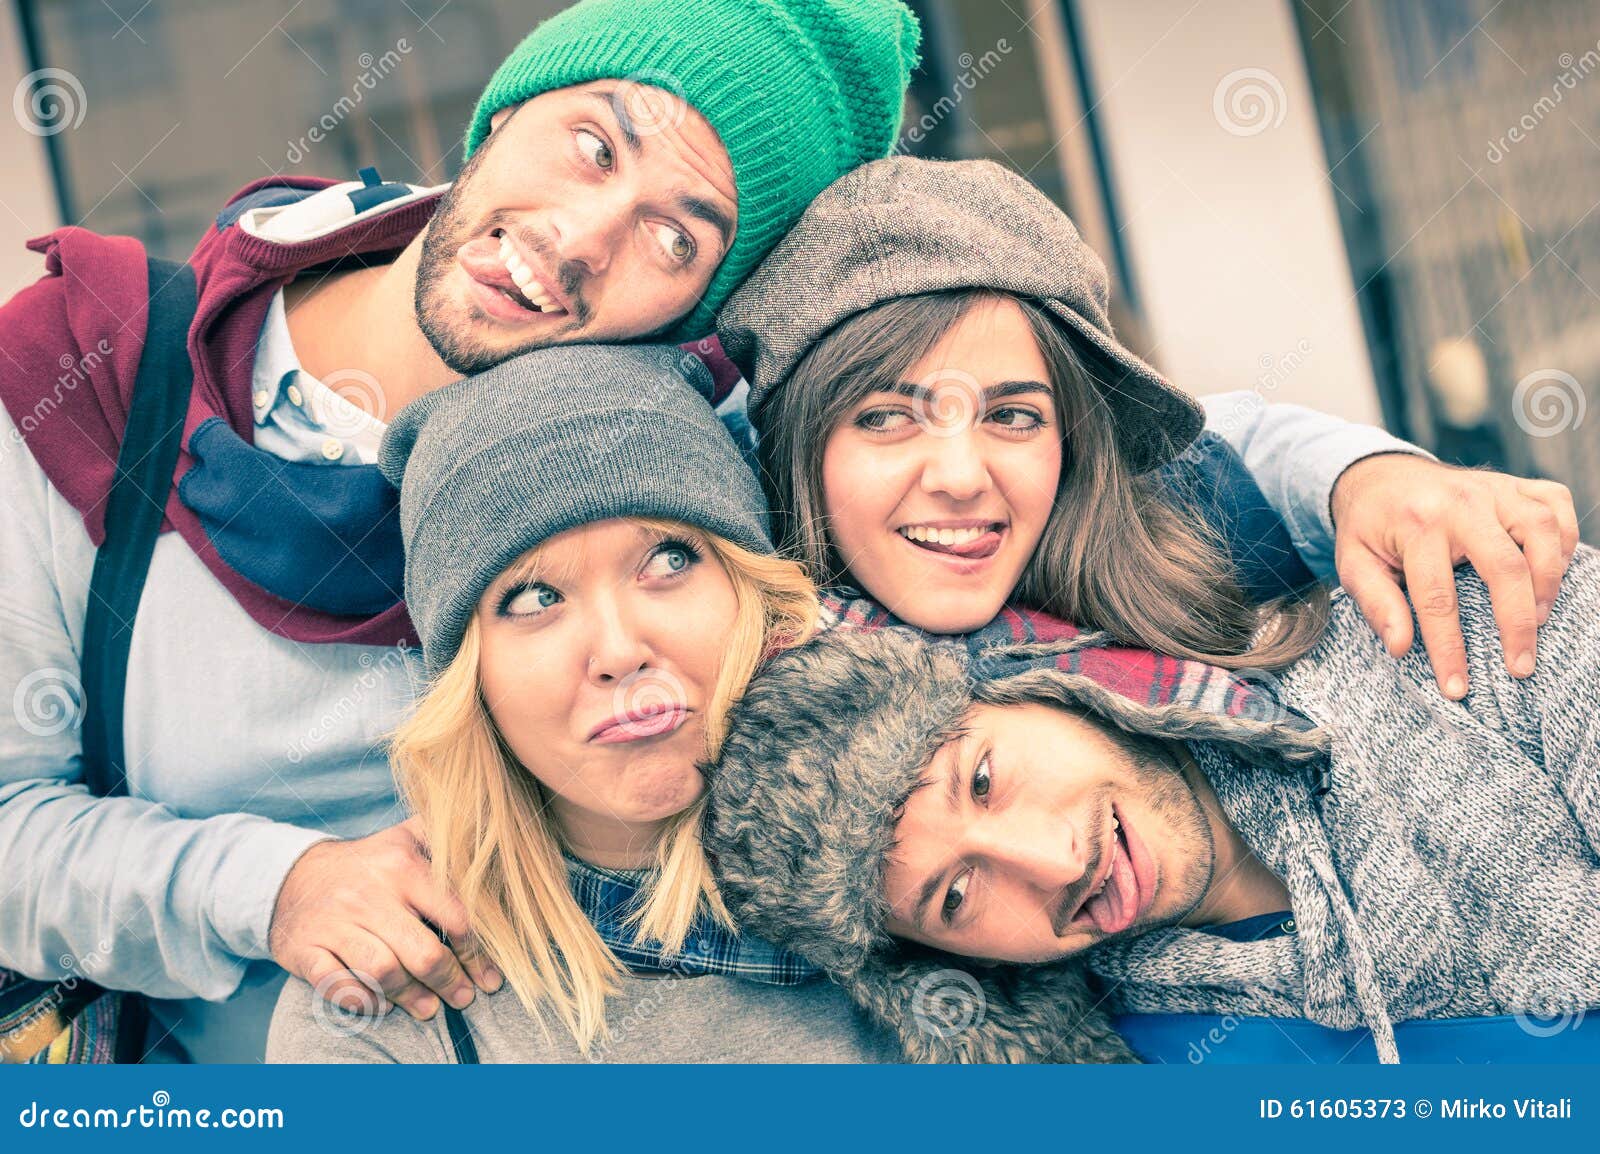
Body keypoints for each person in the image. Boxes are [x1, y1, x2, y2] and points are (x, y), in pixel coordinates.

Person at [0, 0, 921, 1062]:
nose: (578, 239)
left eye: (674, 236)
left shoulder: (706, 461)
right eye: (592, 144)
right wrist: (272, 886)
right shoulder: (88, 377)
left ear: (700, 302)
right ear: (501, 113)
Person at [703, 546, 1600, 1063]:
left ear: (1035, 687)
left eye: (982, 779)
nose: (1057, 865)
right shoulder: (1135, 1069)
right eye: (956, 898)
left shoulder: (1469, 633)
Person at [718, 157, 1579, 683]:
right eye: (886, 418)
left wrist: (1373, 479)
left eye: (1014, 415)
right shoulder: (716, 648)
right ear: (794, 449)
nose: (959, 475)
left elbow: (1226, 448)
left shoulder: (1149, 552)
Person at [267, 344, 897, 1062]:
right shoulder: (387, 997)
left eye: (668, 560)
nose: (620, 650)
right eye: (535, 598)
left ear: (755, 594)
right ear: (470, 684)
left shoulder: (941, 866)